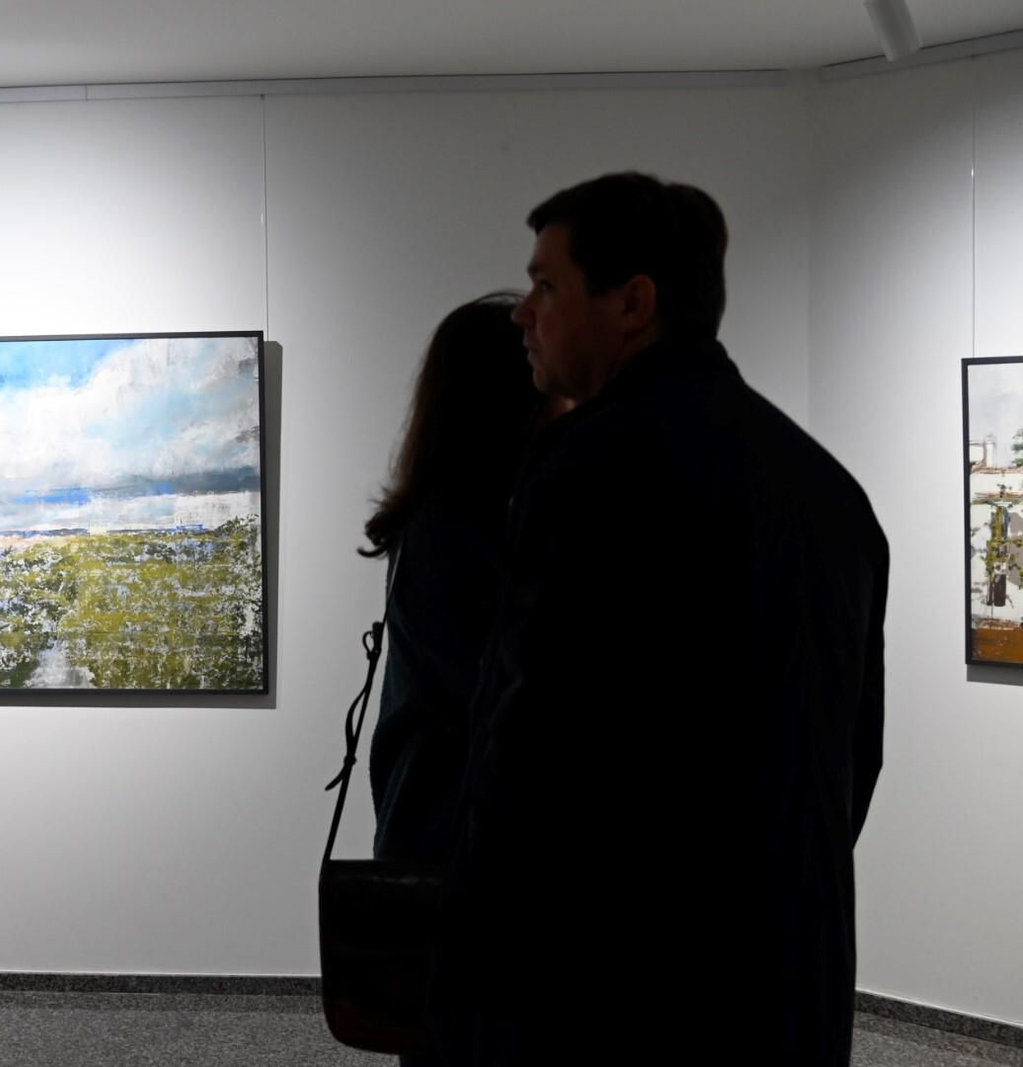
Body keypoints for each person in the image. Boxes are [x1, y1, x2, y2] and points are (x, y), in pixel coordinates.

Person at [425, 173, 889, 1066]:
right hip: (789, 984)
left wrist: (467, 1007)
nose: (524, 313)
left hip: (619, 997)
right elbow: (852, 758)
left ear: (633, 301)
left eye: (548, 285)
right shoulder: (829, 492)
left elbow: (527, 758)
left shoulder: (589, 467)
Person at [362, 292, 561, 1067]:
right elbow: (504, 704)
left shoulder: (446, 523)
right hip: (467, 862)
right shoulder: (467, 531)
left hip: (439, 843)